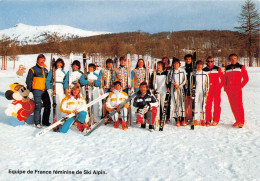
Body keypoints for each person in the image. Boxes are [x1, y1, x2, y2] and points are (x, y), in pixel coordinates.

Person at [26, 54, 51, 128]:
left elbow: (48, 80)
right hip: (37, 89)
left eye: (43, 60)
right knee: (38, 105)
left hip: (44, 89)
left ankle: (45, 121)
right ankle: (37, 122)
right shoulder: (33, 69)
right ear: (37, 60)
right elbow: (28, 80)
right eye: (41, 60)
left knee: (48, 105)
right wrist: (31, 89)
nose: (42, 62)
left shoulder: (46, 70)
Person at [224, 54, 249, 128]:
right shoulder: (227, 68)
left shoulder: (241, 67)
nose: (233, 60)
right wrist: (225, 88)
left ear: (237, 59)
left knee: (239, 105)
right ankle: (237, 120)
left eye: (234, 58)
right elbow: (225, 78)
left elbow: (246, 79)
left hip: (237, 89)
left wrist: (239, 87)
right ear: (229, 60)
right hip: (229, 89)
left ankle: (241, 121)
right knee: (233, 105)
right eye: (231, 59)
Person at [202, 56, 225, 126]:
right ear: (206, 62)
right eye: (208, 61)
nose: (210, 63)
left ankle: (216, 120)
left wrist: (220, 87)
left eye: (211, 61)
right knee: (208, 105)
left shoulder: (218, 68)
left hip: (216, 89)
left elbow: (223, 79)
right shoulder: (204, 70)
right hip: (208, 89)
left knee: (217, 105)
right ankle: (208, 119)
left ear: (213, 62)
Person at [46, 58, 66, 122]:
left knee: (60, 104)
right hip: (55, 87)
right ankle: (55, 119)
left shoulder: (63, 72)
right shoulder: (53, 71)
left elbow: (65, 81)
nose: (59, 64)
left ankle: (59, 119)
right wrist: (49, 89)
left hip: (61, 87)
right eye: (58, 63)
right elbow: (47, 80)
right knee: (55, 104)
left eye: (61, 63)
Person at [168, 58, 187, 127]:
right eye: (175, 64)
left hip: (180, 88)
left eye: (177, 64)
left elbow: (184, 80)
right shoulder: (171, 71)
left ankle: (183, 118)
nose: (176, 65)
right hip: (174, 89)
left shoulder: (182, 71)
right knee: (176, 103)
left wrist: (180, 85)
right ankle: (177, 119)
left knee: (182, 103)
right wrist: (173, 83)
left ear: (179, 64)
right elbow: (168, 80)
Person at [190, 60, 209, 126]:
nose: (199, 66)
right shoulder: (193, 74)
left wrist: (207, 91)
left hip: (202, 91)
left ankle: (202, 120)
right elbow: (191, 84)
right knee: (195, 105)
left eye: (200, 65)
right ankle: (195, 119)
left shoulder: (205, 73)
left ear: (202, 66)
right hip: (195, 91)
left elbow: (207, 83)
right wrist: (191, 92)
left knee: (202, 105)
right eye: (198, 65)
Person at [183, 54, 193, 123]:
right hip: (185, 87)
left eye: (189, 59)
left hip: (192, 87)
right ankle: (186, 117)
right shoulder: (183, 68)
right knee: (186, 103)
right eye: (187, 59)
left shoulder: (194, 68)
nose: (188, 60)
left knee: (191, 103)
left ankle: (191, 117)